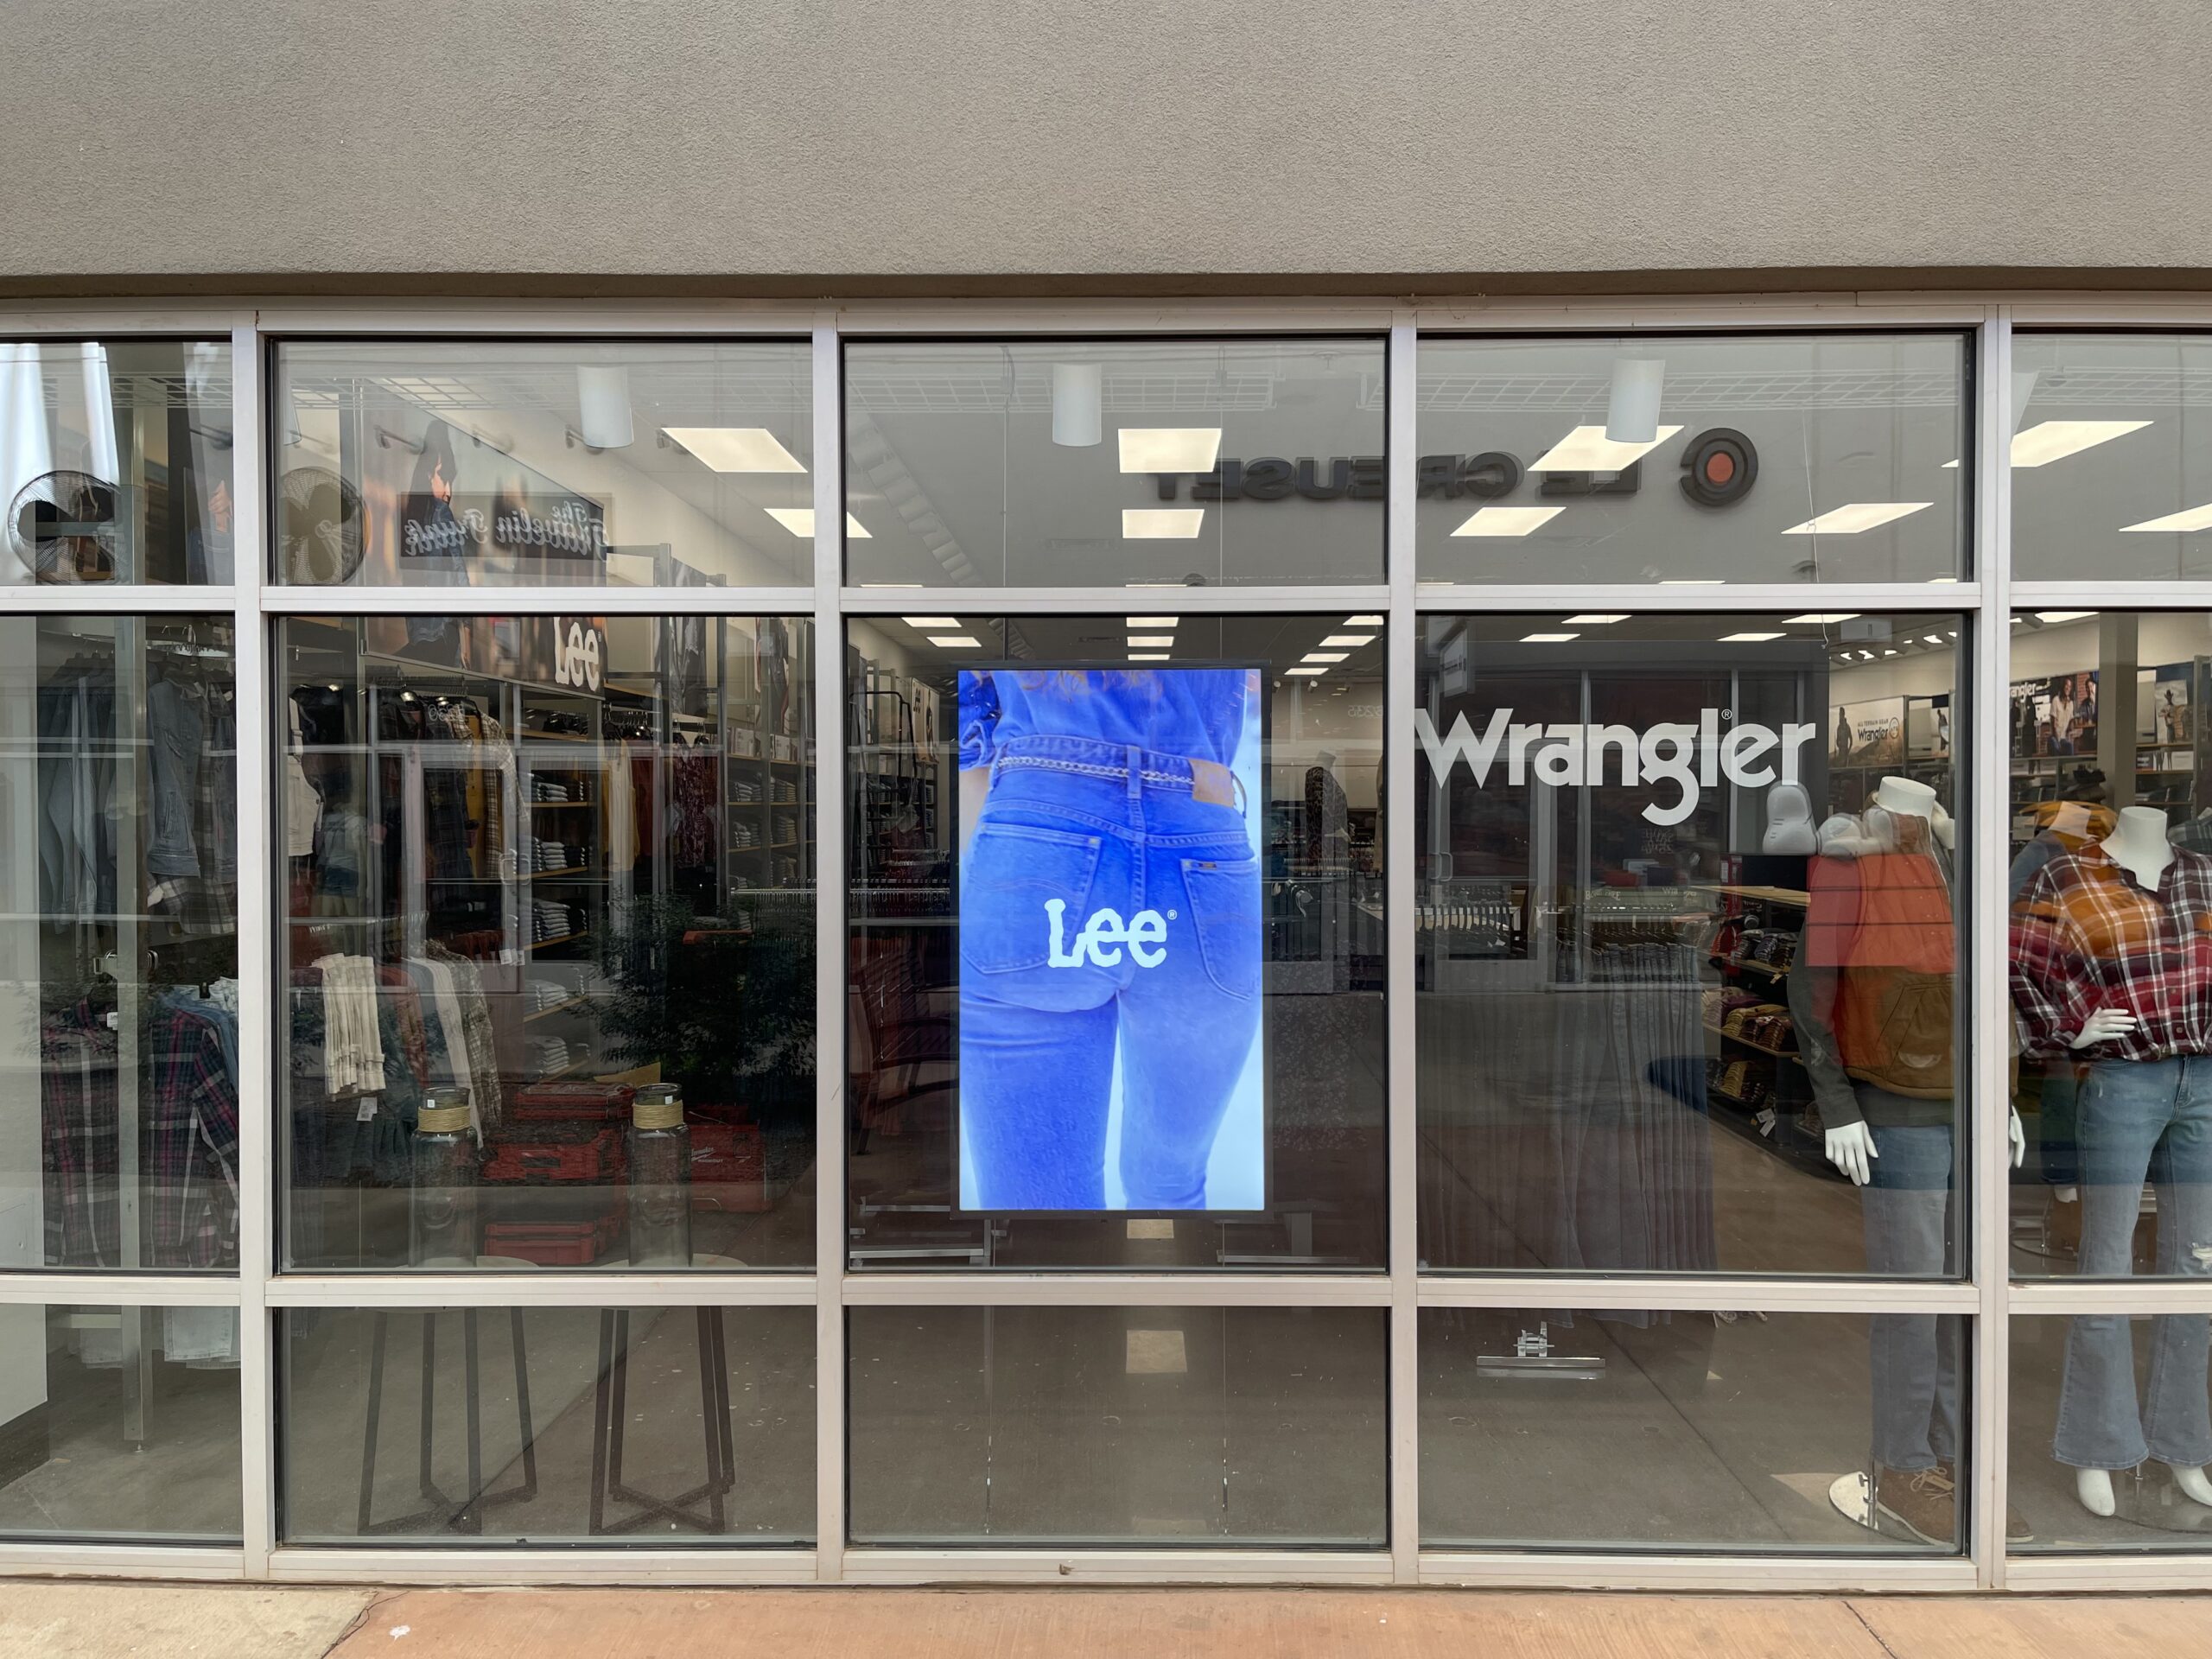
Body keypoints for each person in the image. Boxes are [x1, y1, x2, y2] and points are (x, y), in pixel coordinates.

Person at [957, 666, 1260, 1211]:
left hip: (1036, 827)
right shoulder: (1220, 580)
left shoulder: (1000, 583)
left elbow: (967, 721)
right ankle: (1166, 1291)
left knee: (1035, 1216)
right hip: (1199, 831)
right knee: (1171, 1187)